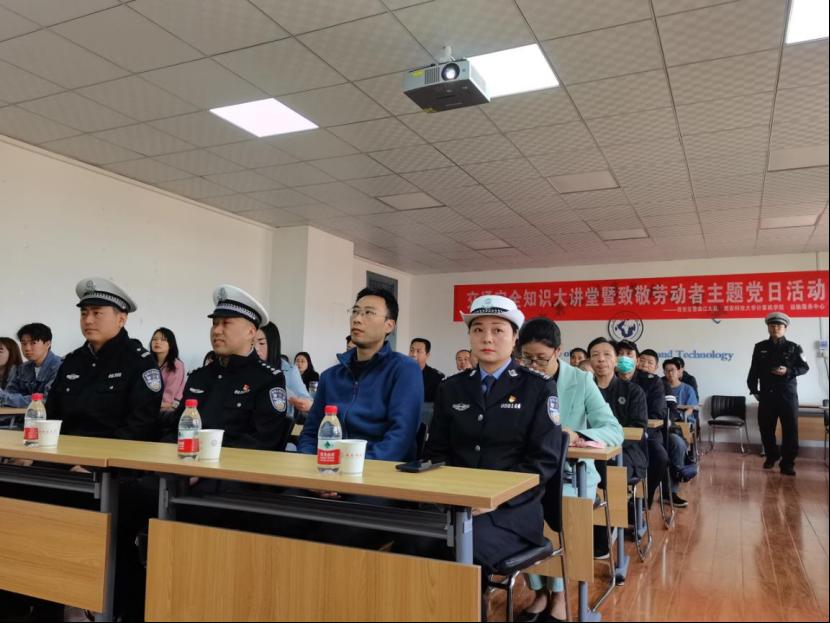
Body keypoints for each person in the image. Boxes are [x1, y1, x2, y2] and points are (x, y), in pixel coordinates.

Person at [424, 296, 563, 586]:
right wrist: (450, 496)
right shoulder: (451, 388)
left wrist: (495, 499)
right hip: (455, 502)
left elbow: (543, 461)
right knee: (412, 540)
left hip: (511, 511)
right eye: (478, 330)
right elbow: (436, 451)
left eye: (498, 330)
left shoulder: (538, 388)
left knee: (461, 549)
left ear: (515, 338)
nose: (487, 337)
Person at [516, 318, 622, 621]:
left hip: (572, 474)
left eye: (541, 358)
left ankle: (560, 595)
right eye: (527, 357)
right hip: (529, 471)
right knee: (517, 510)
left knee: (562, 507)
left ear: (558, 351)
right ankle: (539, 592)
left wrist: (577, 435)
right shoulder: (517, 379)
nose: (533, 365)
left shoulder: (581, 380)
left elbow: (613, 430)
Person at [298, 288, 422, 462]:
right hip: (327, 470)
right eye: (355, 311)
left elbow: (400, 438)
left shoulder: (404, 370)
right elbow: (310, 433)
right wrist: (311, 466)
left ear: (389, 325)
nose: (357, 319)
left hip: (379, 471)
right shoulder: (330, 377)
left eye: (368, 313)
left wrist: (352, 467)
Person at [165, 285, 289, 451]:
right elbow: (175, 429)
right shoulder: (199, 377)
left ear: (251, 332)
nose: (216, 331)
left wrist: (205, 457)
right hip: (184, 461)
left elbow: (261, 442)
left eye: (226, 323)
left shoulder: (268, 379)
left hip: (233, 465)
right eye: (215, 323)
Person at [47, 278, 162, 440]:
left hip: (114, 452)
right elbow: (51, 413)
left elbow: (141, 425)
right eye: (84, 313)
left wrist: (98, 458)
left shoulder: (140, 362)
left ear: (121, 319)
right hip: (64, 449)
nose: (88, 320)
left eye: (97, 313)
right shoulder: (72, 361)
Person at [588, 336, 650, 556]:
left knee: (607, 467)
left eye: (607, 355)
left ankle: (606, 526)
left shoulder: (633, 391)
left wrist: (602, 439)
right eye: (595, 355)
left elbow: (637, 430)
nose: (601, 360)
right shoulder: (584, 390)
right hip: (589, 451)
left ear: (616, 360)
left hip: (627, 453)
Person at [616, 340, 682, 508]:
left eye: (629, 354)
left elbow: (658, 413)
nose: (624, 358)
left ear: (636, 360)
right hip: (613, 436)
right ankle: (618, 506)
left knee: (660, 456)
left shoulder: (651, 381)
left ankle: (645, 500)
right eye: (620, 354)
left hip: (646, 435)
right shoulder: (607, 378)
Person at [747, 312, 809, 476]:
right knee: (765, 428)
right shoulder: (760, 347)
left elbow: (804, 368)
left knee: (790, 430)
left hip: (787, 396)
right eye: (772, 325)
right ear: (768, 327)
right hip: (767, 395)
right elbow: (754, 369)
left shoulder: (794, 347)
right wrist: (753, 389)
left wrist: (788, 371)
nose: (775, 328)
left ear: (785, 328)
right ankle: (772, 455)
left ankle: (787, 463)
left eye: (779, 326)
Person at [254, 322, 312, 415]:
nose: (256, 348)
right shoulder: (245, 367)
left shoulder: (289, 370)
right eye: (252, 343)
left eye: (262, 343)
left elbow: (308, 403)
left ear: (273, 344)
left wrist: (304, 404)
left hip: (279, 421)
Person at [0, 324, 62, 407]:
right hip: (23, 414)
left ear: (47, 344)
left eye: (33, 343)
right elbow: (9, 394)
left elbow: (47, 399)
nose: (27, 348)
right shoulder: (22, 368)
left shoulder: (61, 366)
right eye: (24, 343)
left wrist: (9, 399)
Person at [149, 327, 186, 414]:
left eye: (163, 340)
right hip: (152, 406)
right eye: (154, 339)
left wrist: (148, 403)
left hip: (169, 409)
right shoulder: (148, 363)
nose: (157, 342)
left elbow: (169, 397)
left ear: (171, 344)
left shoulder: (176, 365)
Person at [409, 337, 445, 403]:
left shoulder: (436, 377)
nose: (414, 354)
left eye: (418, 351)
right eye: (411, 350)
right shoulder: (400, 372)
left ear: (427, 355)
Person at [663, 359, 698, 424]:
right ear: (664, 372)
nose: (670, 373)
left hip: (683, 421)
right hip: (665, 420)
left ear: (679, 371)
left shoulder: (688, 389)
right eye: (667, 370)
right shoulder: (660, 388)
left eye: (672, 370)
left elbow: (690, 409)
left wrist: (681, 416)